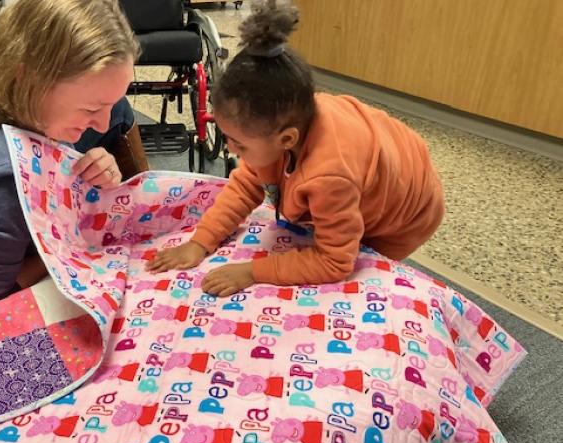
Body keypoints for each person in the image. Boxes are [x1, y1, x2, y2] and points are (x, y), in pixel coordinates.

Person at [147, 0, 444, 297]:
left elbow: (334, 262)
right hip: (373, 166)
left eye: (240, 144)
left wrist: (253, 271)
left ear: (287, 140)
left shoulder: (329, 175)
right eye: (227, 138)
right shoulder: (282, 119)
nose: (232, 150)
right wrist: (201, 242)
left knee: (366, 279)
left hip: (407, 213)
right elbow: (245, 185)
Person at [0, 0, 148, 318]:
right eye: (90, 109)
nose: (102, 126)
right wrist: (79, 241)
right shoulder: (1, 181)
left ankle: (134, 194)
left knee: (117, 112)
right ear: (30, 79)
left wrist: (87, 175)